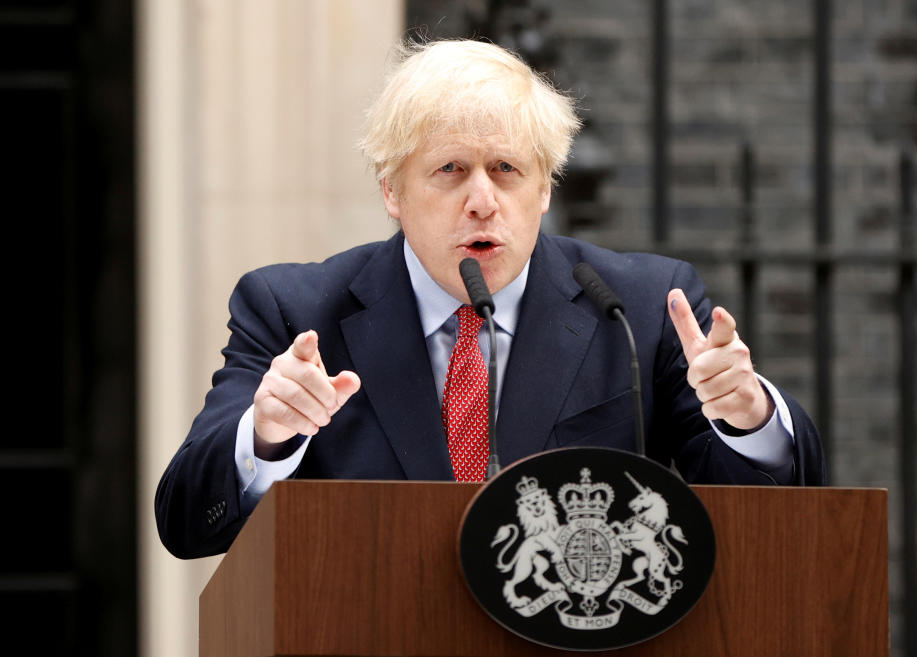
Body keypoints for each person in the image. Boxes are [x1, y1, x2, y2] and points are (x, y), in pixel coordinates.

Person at [155, 39, 824, 560]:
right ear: (392, 190)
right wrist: (266, 438)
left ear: (544, 189)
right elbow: (186, 519)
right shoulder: (294, 312)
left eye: (506, 169)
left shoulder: (639, 310)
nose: (483, 200)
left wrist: (746, 417)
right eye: (450, 170)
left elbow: (771, 507)